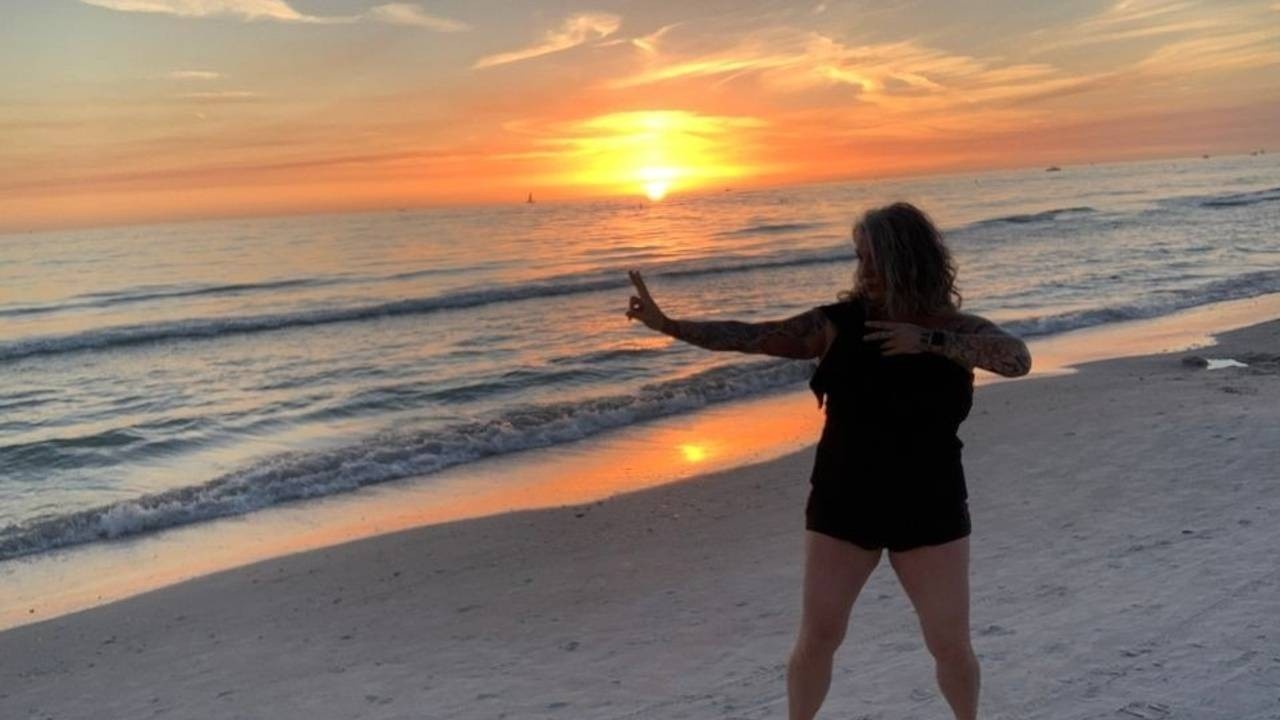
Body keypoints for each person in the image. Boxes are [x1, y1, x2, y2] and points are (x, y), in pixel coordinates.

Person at [624, 201, 1031, 720]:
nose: (865, 270)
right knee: (819, 636)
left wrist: (928, 342)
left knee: (949, 644)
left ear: (908, 259)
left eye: (875, 258)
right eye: (860, 258)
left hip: (930, 502)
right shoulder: (838, 326)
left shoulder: (956, 330)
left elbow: (1017, 359)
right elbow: (752, 335)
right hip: (844, 500)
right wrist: (668, 325)